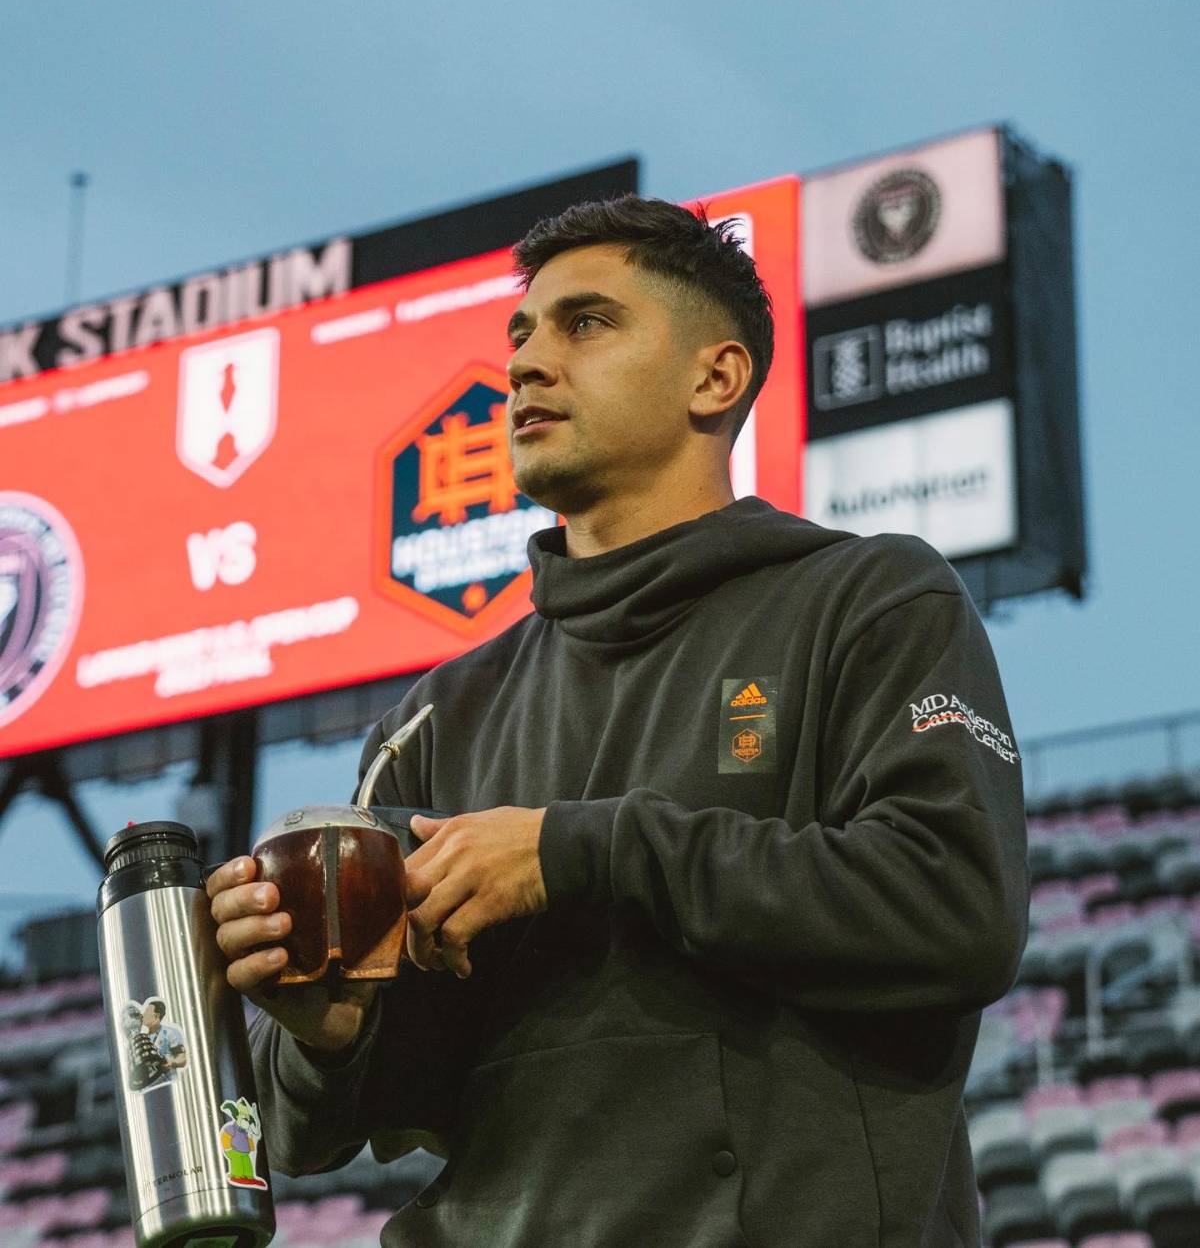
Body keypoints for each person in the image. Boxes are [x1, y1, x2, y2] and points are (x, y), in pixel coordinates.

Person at [206, 195, 1029, 1247]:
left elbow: (957, 910)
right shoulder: (432, 721)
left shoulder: (870, 598)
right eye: (522, 333)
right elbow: (308, 1131)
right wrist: (330, 1034)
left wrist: (577, 848)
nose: (526, 363)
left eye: (585, 324)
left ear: (715, 377)